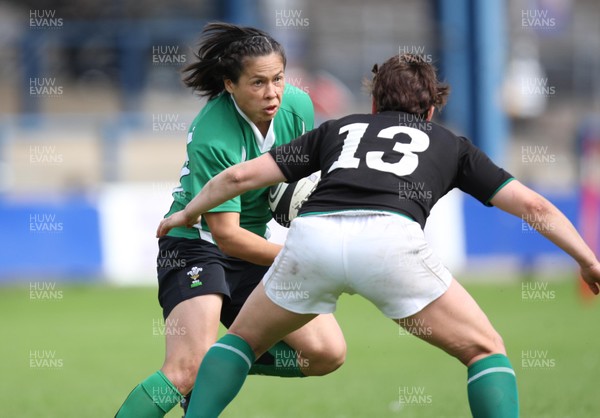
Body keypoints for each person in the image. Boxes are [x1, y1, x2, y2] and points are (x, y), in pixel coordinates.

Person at [157, 53, 600, 418]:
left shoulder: (340, 129)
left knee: (238, 343)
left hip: (314, 239)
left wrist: (187, 213)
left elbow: (238, 178)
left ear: (374, 108)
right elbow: (534, 207)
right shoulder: (451, 144)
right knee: (485, 350)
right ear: (430, 111)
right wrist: (587, 259)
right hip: (390, 244)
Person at [115, 22, 346, 418]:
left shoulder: (299, 107)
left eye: (278, 79)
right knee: (185, 369)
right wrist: (303, 259)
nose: (272, 93)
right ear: (230, 85)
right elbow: (228, 238)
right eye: (257, 83)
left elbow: (301, 183)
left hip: (253, 247)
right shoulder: (213, 133)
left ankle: (217, 366)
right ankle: (202, 371)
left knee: (326, 353)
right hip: (195, 247)